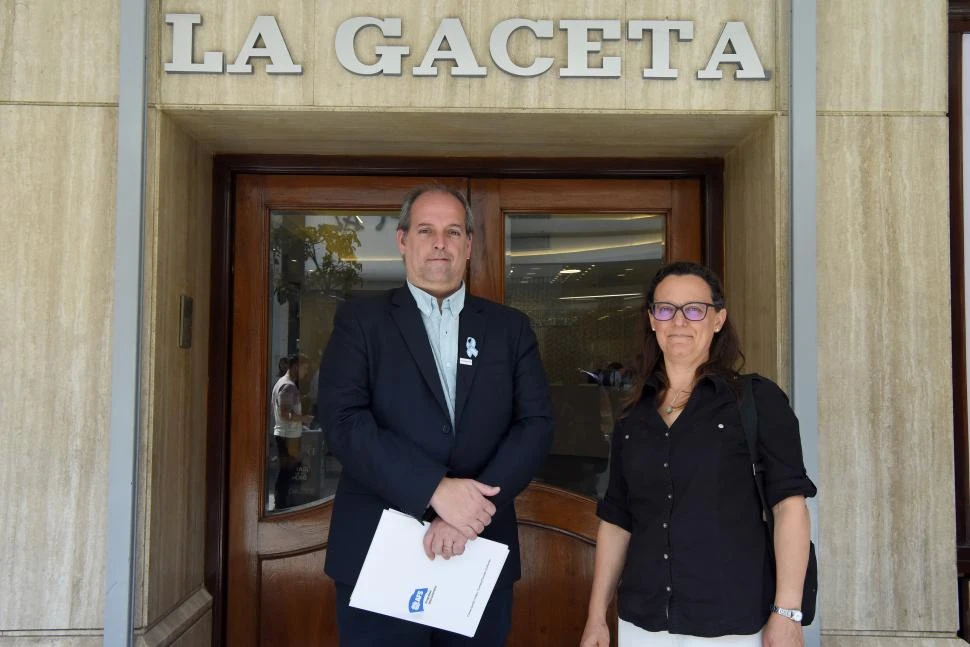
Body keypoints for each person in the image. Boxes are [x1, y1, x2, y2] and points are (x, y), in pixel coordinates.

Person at [317, 184, 555, 646]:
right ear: (403, 240)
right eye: (426, 230)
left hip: (478, 547)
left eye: (452, 232)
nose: (440, 243)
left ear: (469, 244)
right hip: (376, 552)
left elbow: (535, 425)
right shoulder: (360, 320)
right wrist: (435, 490)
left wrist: (468, 513)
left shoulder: (510, 328)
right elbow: (344, 420)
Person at [580, 261, 816, 647]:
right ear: (652, 320)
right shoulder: (633, 415)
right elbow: (617, 520)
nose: (679, 321)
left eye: (694, 309)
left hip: (732, 621)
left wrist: (787, 612)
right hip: (644, 621)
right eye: (665, 309)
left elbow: (788, 507)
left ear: (718, 319)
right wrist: (596, 617)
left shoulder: (757, 400)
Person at [271, 354, 312, 509]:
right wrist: (304, 419)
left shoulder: (284, 384)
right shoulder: (288, 386)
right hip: (287, 436)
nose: (306, 372)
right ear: (295, 367)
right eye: (304, 368)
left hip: (287, 434)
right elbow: (285, 413)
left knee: (286, 472)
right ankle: (280, 505)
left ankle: (281, 503)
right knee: (285, 474)